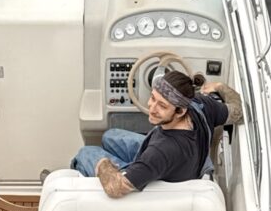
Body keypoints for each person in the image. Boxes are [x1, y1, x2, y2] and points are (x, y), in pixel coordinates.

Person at [71, 70, 243, 197]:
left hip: (157, 170)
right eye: (153, 98)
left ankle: (81, 187)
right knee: (110, 136)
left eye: (162, 106)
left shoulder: (161, 151)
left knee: (86, 153)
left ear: (180, 111)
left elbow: (115, 188)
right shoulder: (201, 104)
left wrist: (103, 164)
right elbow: (238, 111)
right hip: (180, 164)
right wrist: (219, 86)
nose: (151, 108)